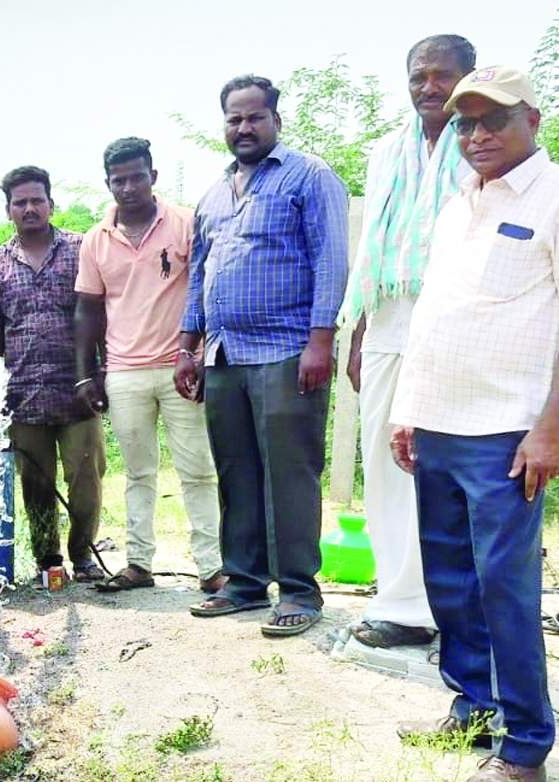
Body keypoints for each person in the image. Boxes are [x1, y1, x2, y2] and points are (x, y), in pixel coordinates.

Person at [391, 66, 559, 782]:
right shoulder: (458, 204)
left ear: (533, 120)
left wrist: (551, 428)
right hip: (439, 426)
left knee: (503, 588)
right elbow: (436, 314)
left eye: (495, 120)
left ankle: (524, 748)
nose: (478, 135)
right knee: (451, 583)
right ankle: (473, 709)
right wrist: (409, 408)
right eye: (466, 123)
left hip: (506, 434)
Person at [177, 75, 349, 637]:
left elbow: (330, 261)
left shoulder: (309, 176)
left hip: (286, 349)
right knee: (237, 472)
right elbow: (198, 273)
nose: (244, 127)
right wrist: (187, 346)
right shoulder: (213, 193)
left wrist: (320, 341)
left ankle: (298, 589)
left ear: (276, 120)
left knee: (289, 473)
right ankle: (245, 582)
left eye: (255, 117)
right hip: (224, 355)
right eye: (235, 118)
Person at [339, 35, 475, 649]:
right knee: (385, 465)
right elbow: (375, 247)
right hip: (388, 321)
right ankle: (401, 605)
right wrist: (360, 333)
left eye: (442, 75)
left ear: (467, 78)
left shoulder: (482, 144)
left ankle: (454, 604)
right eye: (418, 76)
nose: (429, 87)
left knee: (448, 467)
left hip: (457, 325)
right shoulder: (387, 151)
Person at [76, 138, 224, 594]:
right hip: (124, 372)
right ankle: (138, 563)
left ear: (152, 177)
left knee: (197, 469)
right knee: (138, 472)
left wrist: (198, 355)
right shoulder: (96, 239)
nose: (128, 187)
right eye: (118, 180)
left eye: (136, 177)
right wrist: (87, 373)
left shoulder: (184, 223)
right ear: (108, 183)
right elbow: (88, 309)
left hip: (181, 367)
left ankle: (211, 567)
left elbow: (205, 290)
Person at [0, 165, 106, 584]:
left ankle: (83, 555)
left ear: (51, 203)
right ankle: (48, 559)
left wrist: (102, 372)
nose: (29, 208)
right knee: (35, 482)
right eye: (20, 202)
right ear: (9, 210)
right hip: (23, 394)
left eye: (37, 200)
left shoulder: (81, 249)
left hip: (78, 389)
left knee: (86, 477)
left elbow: (101, 313)